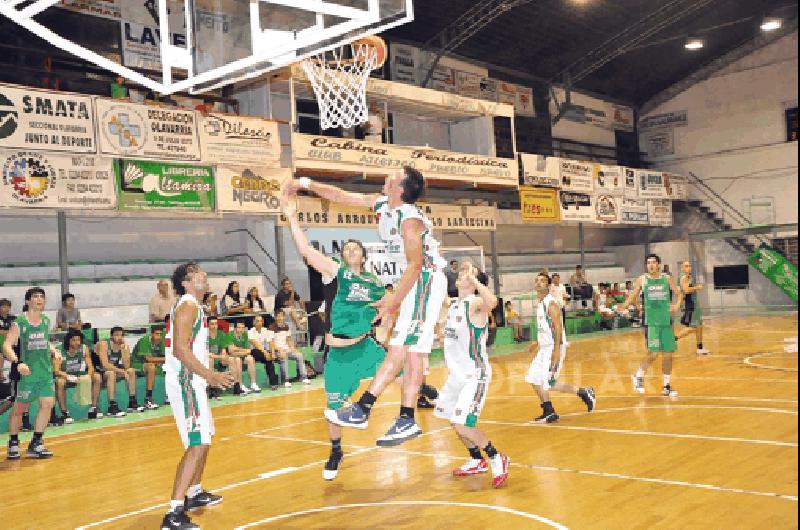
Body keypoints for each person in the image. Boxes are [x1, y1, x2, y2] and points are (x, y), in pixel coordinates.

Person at [290, 166, 448, 447]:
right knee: (410, 352)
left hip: (423, 279)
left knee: (400, 346)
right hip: (413, 283)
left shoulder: (409, 220)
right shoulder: (382, 204)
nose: (387, 176)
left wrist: (393, 301)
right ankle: (406, 418)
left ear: (400, 188)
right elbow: (340, 195)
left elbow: (416, 264)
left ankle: (364, 407)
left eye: (393, 175)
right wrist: (304, 183)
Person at [282, 194, 386, 479]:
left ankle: (414, 407)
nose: (351, 251)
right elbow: (305, 250)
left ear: (364, 256)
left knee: (399, 369)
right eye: (347, 249)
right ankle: (336, 450)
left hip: (366, 345)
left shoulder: (375, 283)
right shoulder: (335, 273)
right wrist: (292, 216)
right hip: (339, 350)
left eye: (356, 248)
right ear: (342, 256)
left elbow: (387, 309)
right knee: (333, 409)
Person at [160, 262, 234, 530]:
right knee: (197, 442)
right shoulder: (188, 305)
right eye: (198, 273)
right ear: (188, 283)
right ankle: (173, 513)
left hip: (193, 380)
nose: (205, 275)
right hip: (186, 381)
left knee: (205, 438)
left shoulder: (194, 306)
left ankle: (194, 493)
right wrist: (209, 375)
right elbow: (180, 350)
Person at [438, 263, 510, 488]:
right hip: (456, 376)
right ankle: (476, 459)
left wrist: (475, 279)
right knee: (452, 418)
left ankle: (496, 457)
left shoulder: (476, 302)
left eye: (470, 272)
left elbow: (493, 303)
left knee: (462, 423)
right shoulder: (454, 305)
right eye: (461, 272)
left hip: (474, 375)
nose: (463, 274)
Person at [527, 273, 596, 423]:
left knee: (548, 381)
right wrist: (537, 342)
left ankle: (583, 392)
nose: (539, 283)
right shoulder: (540, 303)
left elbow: (558, 327)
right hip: (544, 347)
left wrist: (556, 350)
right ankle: (549, 410)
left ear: (549, 285)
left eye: (543, 281)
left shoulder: (551, 303)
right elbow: (546, 327)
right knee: (533, 377)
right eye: (537, 281)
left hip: (553, 347)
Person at [3, 287, 61, 459]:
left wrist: (53, 350)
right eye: (35, 296)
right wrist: (17, 362)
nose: (39, 299)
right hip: (26, 374)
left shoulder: (45, 320)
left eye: (42, 296)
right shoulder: (20, 322)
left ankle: (36, 443)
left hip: (44, 373)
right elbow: (6, 345)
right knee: (20, 408)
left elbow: (44, 340)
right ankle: (13, 442)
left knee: (47, 404)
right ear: (27, 301)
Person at [616, 254, 682, 397]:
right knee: (653, 353)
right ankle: (638, 376)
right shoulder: (643, 279)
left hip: (666, 321)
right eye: (648, 263)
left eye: (653, 262)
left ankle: (666, 386)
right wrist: (624, 305)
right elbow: (633, 295)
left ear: (658, 264)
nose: (651, 265)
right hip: (652, 321)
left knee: (668, 354)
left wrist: (676, 305)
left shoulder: (666, 278)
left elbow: (679, 293)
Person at [54, 330, 102, 423]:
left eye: (79, 340)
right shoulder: (58, 350)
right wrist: (71, 378)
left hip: (80, 375)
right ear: (68, 341)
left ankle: (93, 408)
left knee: (97, 377)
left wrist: (88, 376)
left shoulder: (84, 348)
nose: (77, 343)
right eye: (74, 340)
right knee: (60, 382)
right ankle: (65, 413)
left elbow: (90, 366)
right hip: (65, 375)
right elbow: (56, 371)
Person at [93, 327, 143, 416]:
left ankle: (132, 402)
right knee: (111, 373)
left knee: (131, 371)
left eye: (121, 335)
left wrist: (124, 351)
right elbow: (105, 365)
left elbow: (127, 366)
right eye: (117, 335)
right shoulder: (104, 344)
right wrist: (122, 372)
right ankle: (112, 406)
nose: (119, 337)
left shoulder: (122, 346)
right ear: (111, 336)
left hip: (111, 371)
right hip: (98, 372)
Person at [675, 261, 711, 355]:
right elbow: (686, 290)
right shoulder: (684, 277)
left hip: (694, 304)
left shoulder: (689, 277)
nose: (689, 267)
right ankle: (672, 339)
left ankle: (700, 347)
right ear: (682, 268)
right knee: (692, 327)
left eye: (690, 266)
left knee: (699, 326)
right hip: (691, 305)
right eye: (686, 266)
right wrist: (697, 288)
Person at [230, 320, 275, 391]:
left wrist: (240, 350)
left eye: (242, 327)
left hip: (242, 355)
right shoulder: (230, 335)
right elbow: (231, 351)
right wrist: (242, 350)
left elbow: (247, 350)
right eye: (239, 327)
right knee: (238, 359)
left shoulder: (245, 335)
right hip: (232, 357)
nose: (241, 329)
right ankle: (240, 385)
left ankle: (253, 384)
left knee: (251, 358)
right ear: (235, 328)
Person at [269, 311, 310, 387]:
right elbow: (271, 343)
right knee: (283, 357)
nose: (280, 318)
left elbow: (288, 339)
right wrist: (279, 350)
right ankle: (285, 380)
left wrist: (293, 348)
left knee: (299, 355)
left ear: (284, 317)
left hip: (287, 349)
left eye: (281, 316)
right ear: (275, 317)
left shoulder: (286, 326)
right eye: (278, 316)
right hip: (277, 350)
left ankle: (303, 377)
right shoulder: (271, 327)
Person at [207, 317, 243, 399]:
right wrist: (220, 356)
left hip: (219, 358)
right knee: (210, 360)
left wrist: (224, 354)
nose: (214, 326)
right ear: (208, 325)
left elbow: (223, 349)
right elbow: (206, 354)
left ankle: (236, 387)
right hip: (208, 359)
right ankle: (213, 390)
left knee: (231, 359)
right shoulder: (204, 336)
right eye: (212, 324)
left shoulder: (221, 334)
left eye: (216, 324)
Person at [132, 326, 166, 409]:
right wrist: (168, 359)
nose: (159, 337)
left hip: (153, 364)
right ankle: (148, 399)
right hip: (137, 364)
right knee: (151, 367)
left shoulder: (161, 341)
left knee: (170, 367)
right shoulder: (144, 340)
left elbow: (164, 356)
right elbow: (149, 359)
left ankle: (168, 395)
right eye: (157, 334)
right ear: (151, 334)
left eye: (160, 334)